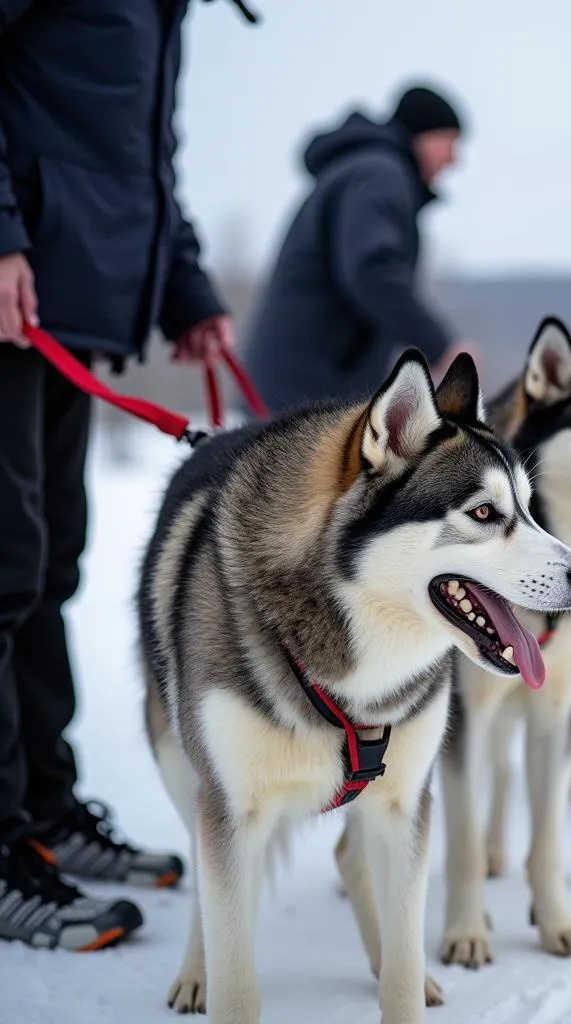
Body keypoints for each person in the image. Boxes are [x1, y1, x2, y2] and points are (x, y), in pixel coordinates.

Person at [0, 0, 253, 950]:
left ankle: (43, 813)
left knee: (47, 562)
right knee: (4, 566)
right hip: (14, 282)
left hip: (63, 302)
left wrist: (183, 285)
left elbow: (143, 156)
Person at [244, 81, 475, 413]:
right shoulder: (379, 175)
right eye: (449, 142)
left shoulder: (367, 171)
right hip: (304, 393)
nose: (454, 159)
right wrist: (441, 346)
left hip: (302, 387)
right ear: (422, 137)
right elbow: (371, 270)